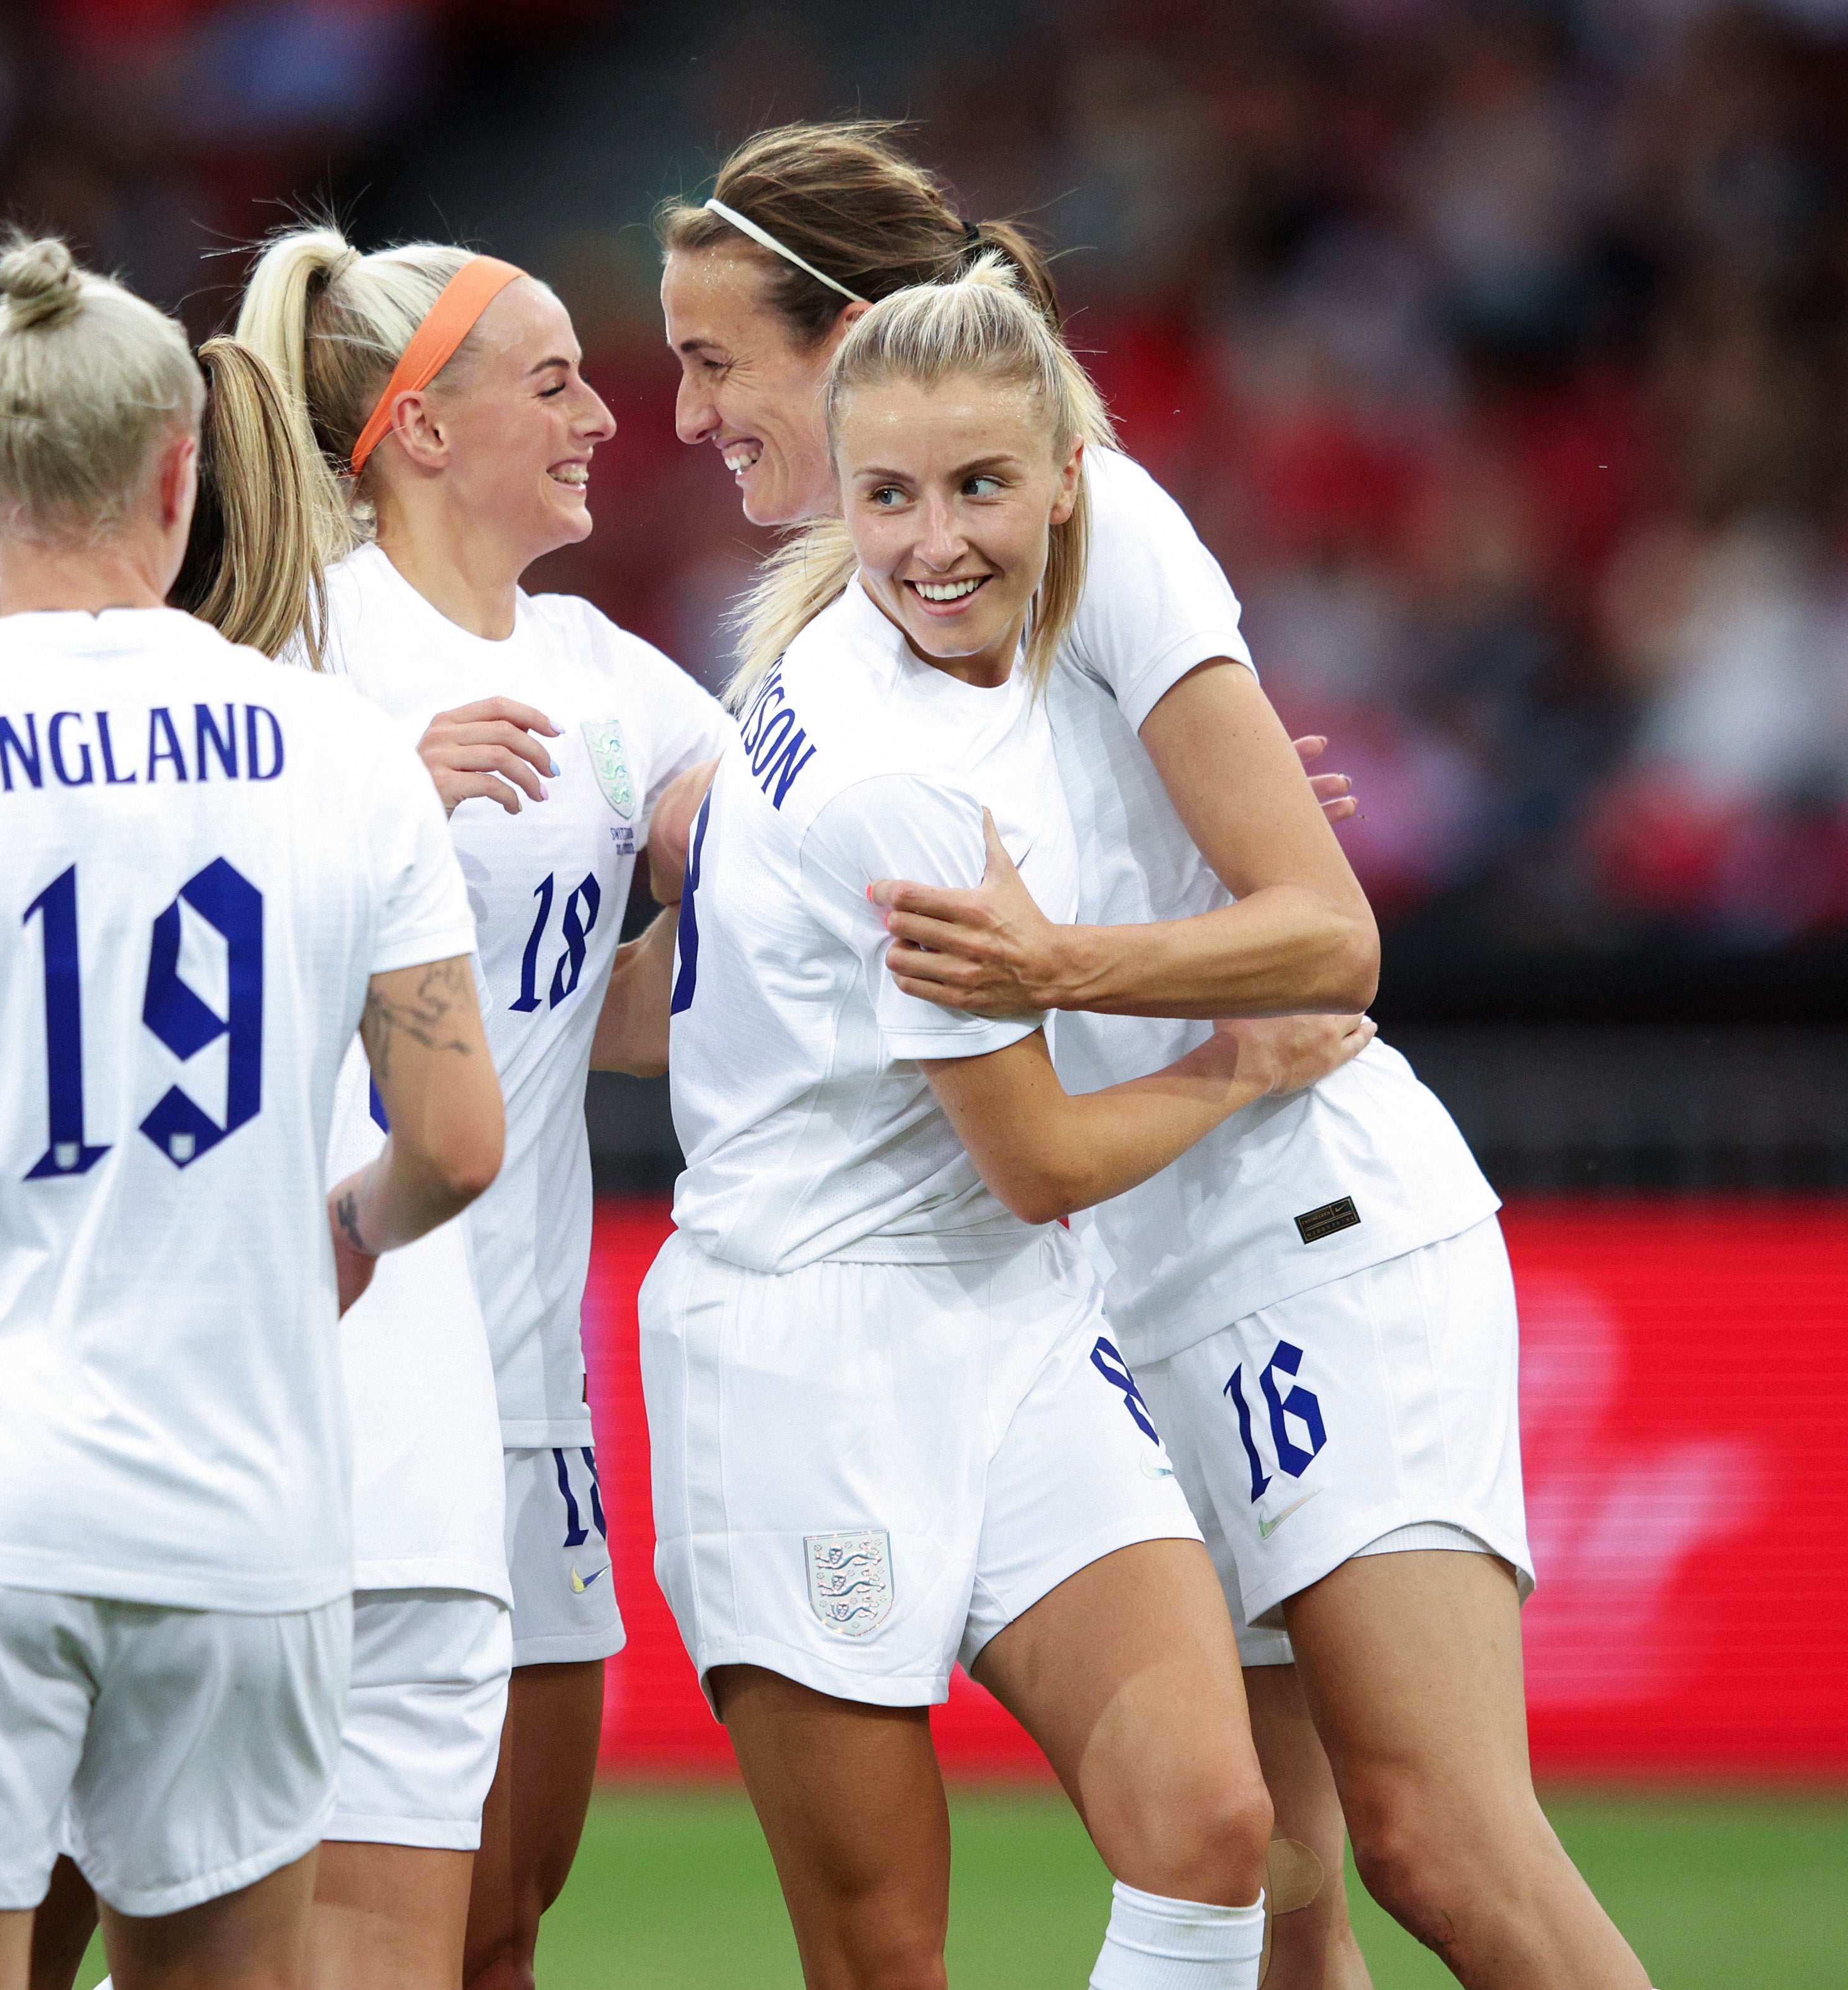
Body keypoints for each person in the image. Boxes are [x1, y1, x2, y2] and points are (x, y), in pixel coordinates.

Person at [656, 121, 1648, 1990]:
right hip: (1121, 1261)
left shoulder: (1099, 521)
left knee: (1446, 1844)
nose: (694, 410)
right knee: (1272, 1885)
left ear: (859, 334)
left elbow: (1330, 931)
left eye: (718, 358)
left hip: (1299, 1223)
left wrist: (1074, 951)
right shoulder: (849, 629)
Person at [0, 234, 508, 1990]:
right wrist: (354, 1227)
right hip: (250, 1521)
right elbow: (458, 1138)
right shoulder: (342, 749)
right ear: (181, 467)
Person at [630, 260, 1384, 1990]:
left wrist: (1161, 857)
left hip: (1014, 1320)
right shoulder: (907, 778)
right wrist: (1232, 1063)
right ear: (846, 487)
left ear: (1069, 479)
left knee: (1210, 1826)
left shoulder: (964, 670)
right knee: (886, 1955)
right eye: (888, 495)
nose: (930, 541)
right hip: (809, 1347)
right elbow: (1038, 1153)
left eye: (976, 486)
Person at [229, 221, 731, 1990]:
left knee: (501, 1925)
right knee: (266, 1929)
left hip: (525, 1376)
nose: (608, 411)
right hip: (317, 1357)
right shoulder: (288, 655)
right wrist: (355, 795)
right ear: (420, 429)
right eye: (554, 380)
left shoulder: (609, 671)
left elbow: (712, 959)